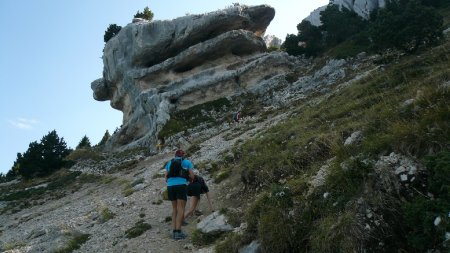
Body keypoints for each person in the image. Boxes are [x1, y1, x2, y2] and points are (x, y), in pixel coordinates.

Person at [164, 149, 194, 240]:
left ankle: (173, 232)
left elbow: (165, 177)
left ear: (175, 155)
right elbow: (192, 176)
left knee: (174, 209)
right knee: (181, 208)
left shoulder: (169, 163)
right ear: (183, 155)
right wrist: (188, 180)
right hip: (181, 186)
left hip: (170, 187)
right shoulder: (187, 162)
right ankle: (178, 232)